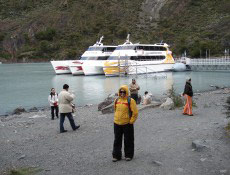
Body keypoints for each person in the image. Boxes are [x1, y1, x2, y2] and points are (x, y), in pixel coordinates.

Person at [112, 85, 138, 162]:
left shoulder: (130, 100)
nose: (122, 93)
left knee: (128, 140)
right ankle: (116, 156)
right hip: (117, 123)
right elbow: (115, 109)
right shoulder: (116, 100)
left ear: (126, 92)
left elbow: (135, 113)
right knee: (117, 140)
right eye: (121, 91)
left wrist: (131, 121)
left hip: (127, 123)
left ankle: (128, 155)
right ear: (119, 92)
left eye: (124, 92)